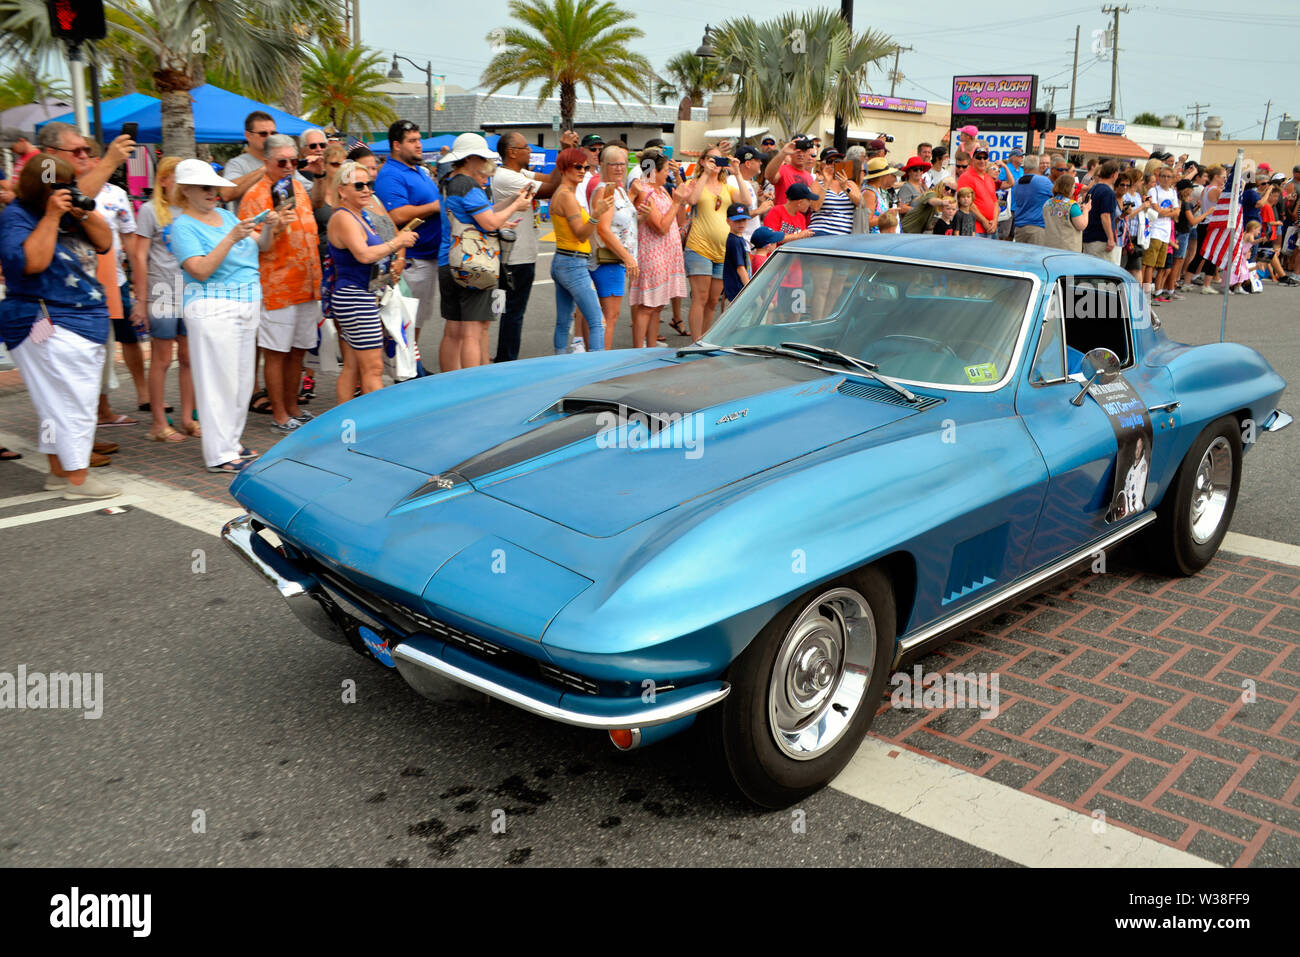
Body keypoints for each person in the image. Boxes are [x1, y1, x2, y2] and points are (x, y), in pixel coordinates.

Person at [0, 153, 120, 499]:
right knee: (75, 403)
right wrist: (52, 216)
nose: (67, 190)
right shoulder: (17, 217)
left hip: (78, 319)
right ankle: (79, 480)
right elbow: (32, 263)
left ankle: (58, 473)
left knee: (54, 404)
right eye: (60, 185)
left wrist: (82, 210)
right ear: (41, 189)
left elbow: (104, 242)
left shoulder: (72, 212)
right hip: (45, 320)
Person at [166, 159, 263, 474]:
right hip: (212, 308)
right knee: (218, 383)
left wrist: (273, 225)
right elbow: (200, 270)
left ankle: (231, 444)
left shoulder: (223, 215)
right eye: (205, 187)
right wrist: (231, 238)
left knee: (240, 382)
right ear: (186, 190)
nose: (213, 192)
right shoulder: (182, 225)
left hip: (245, 304)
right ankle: (219, 453)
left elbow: (260, 247)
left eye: (215, 186)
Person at [238, 134, 321, 435]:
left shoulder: (298, 186)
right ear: (266, 162)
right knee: (276, 352)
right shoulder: (254, 197)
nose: (289, 167)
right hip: (277, 287)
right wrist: (275, 229)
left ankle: (294, 406)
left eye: (293, 161)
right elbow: (250, 246)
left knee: (298, 350)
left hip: (306, 283)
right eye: (282, 162)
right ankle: (280, 414)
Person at [437, 133, 534, 368]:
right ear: (471, 159)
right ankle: (473, 386)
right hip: (474, 263)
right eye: (482, 158)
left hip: (449, 259)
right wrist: (515, 207)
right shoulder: (468, 185)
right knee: (474, 329)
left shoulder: (450, 182)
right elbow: (489, 222)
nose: (485, 163)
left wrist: (511, 201)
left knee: (454, 328)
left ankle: (448, 383)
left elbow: (484, 214)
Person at [327, 160, 419, 400]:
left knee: (353, 366)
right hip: (356, 297)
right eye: (359, 185)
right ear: (341, 190)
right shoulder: (344, 218)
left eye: (369, 184)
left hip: (361, 295)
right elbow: (364, 254)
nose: (366, 189)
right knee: (373, 368)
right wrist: (397, 243)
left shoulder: (359, 215)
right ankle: (370, 427)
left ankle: (346, 426)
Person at [128, 156, 198, 443]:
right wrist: (141, 300)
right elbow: (139, 257)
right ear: (164, 179)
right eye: (177, 176)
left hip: (190, 293)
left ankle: (187, 418)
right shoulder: (149, 211)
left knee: (188, 358)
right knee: (162, 358)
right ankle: (158, 422)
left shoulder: (192, 210)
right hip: (162, 294)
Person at [491, 131, 563, 362]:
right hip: (514, 258)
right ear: (512, 152)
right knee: (512, 312)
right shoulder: (506, 177)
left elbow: (550, 179)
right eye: (526, 147)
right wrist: (564, 156)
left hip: (519, 253)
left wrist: (562, 152)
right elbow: (551, 188)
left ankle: (501, 356)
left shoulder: (518, 172)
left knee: (506, 311)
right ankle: (505, 361)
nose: (530, 151)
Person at [373, 119, 441, 355]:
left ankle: (411, 366)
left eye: (419, 139)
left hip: (427, 258)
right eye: (412, 141)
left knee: (416, 320)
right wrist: (434, 206)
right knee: (402, 321)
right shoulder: (391, 175)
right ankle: (400, 373)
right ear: (396, 146)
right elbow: (396, 214)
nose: (419, 145)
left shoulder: (418, 171)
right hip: (412, 259)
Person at [548, 146, 613, 354]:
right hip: (572, 263)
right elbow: (581, 233)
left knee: (564, 321)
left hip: (565, 260)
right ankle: (595, 370)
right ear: (564, 168)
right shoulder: (566, 196)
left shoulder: (565, 194)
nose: (582, 170)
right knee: (596, 320)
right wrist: (596, 213)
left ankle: (559, 362)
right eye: (577, 166)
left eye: (585, 167)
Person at [678, 147, 740, 339]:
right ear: (703, 160)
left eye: (719, 160)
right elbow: (693, 199)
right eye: (711, 159)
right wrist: (705, 173)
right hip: (699, 247)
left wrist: (737, 174)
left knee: (713, 300)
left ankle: (705, 338)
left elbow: (746, 203)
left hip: (722, 250)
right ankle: (695, 340)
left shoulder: (728, 187)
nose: (716, 163)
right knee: (700, 297)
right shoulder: (694, 182)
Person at [629, 153, 688, 347]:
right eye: (665, 171)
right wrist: (677, 201)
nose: (668, 175)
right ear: (654, 171)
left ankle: (651, 347)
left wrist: (680, 199)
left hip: (667, 254)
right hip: (653, 254)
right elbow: (660, 227)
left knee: (658, 306)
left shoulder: (661, 190)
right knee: (647, 306)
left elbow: (677, 221)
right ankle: (638, 350)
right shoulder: (646, 192)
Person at [585, 144, 639, 349]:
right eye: (613, 164)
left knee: (609, 317)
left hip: (616, 261)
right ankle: (601, 362)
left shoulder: (619, 190)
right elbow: (604, 230)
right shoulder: (606, 190)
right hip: (609, 261)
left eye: (622, 164)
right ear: (603, 165)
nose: (619, 168)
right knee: (608, 318)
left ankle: (599, 359)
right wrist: (628, 257)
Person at [219, 111, 279, 210]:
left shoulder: (284, 161)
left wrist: (315, 175)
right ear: (248, 135)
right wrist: (264, 169)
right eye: (263, 134)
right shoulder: (236, 164)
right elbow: (226, 194)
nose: (269, 138)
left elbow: (308, 193)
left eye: (273, 133)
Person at [1143, 165, 1179, 302]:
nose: (1165, 179)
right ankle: (1146, 293)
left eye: (1168, 176)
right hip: (1155, 230)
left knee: (1160, 265)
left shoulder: (1173, 192)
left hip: (1166, 232)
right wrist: (1169, 211)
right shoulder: (1154, 190)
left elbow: (1177, 211)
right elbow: (1157, 210)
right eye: (1162, 176)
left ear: (1172, 179)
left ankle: (1156, 292)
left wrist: (1167, 211)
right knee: (1149, 264)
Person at [808, 151, 859, 236]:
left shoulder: (850, 184)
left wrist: (846, 188)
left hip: (844, 235)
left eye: (837, 161)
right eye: (829, 162)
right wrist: (827, 183)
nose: (833, 164)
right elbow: (815, 207)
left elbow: (861, 203)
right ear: (823, 165)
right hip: (821, 231)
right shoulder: (817, 184)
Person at [1080, 161, 1121, 262]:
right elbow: (1105, 216)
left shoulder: (1093, 189)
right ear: (1114, 174)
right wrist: (1111, 239)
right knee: (1102, 273)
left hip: (1088, 236)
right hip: (1100, 240)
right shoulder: (1108, 192)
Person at [1010, 154, 1053, 245]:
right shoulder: (1043, 181)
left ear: (1024, 167)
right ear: (1038, 166)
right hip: (1037, 227)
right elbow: (1057, 196)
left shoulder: (1017, 182)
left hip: (1019, 227)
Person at [763, 137, 818, 206]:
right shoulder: (783, 170)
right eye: (797, 150)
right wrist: (783, 152)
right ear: (790, 153)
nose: (800, 154)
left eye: (803, 151)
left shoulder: (809, 177)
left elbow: (813, 205)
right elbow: (768, 176)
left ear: (808, 153)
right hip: (783, 215)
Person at [956, 148, 998, 236]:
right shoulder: (965, 177)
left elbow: (995, 202)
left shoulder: (989, 178)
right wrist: (984, 221)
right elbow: (967, 203)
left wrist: (995, 221)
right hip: (975, 229)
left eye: (985, 157)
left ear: (988, 160)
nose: (982, 160)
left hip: (992, 227)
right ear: (972, 160)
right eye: (979, 157)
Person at [1042, 174, 1088, 252]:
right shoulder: (1072, 205)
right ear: (1069, 188)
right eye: (1074, 187)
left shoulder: (1048, 202)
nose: (1074, 189)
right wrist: (1086, 210)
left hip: (1049, 245)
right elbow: (1082, 225)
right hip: (1067, 249)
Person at [722, 203, 752, 307]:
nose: (741, 224)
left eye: (743, 220)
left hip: (738, 289)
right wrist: (750, 288)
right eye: (737, 220)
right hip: (736, 291)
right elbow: (740, 268)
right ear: (728, 221)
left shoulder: (739, 238)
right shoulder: (734, 241)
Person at [860, 159, 900, 233]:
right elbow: (867, 222)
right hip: (873, 239)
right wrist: (887, 215)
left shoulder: (874, 190)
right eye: (888, 174)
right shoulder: (870, 193)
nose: (888, 176)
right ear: (882, 176)